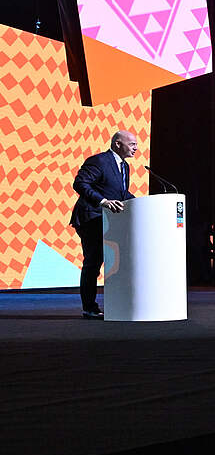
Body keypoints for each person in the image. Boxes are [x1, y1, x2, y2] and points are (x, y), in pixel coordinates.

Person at [70, 130, 138, 319]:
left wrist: (142, 203)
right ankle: (89, 308)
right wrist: (103, 201)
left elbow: (122, 193)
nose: (136, 148)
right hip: (91, 217)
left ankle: (115, 304)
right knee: (93, 262)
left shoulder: (124, 166)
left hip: (109, 220)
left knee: (108, 260)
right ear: (118, 144)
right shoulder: (99, 161)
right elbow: (80, 184)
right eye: (132, 144)